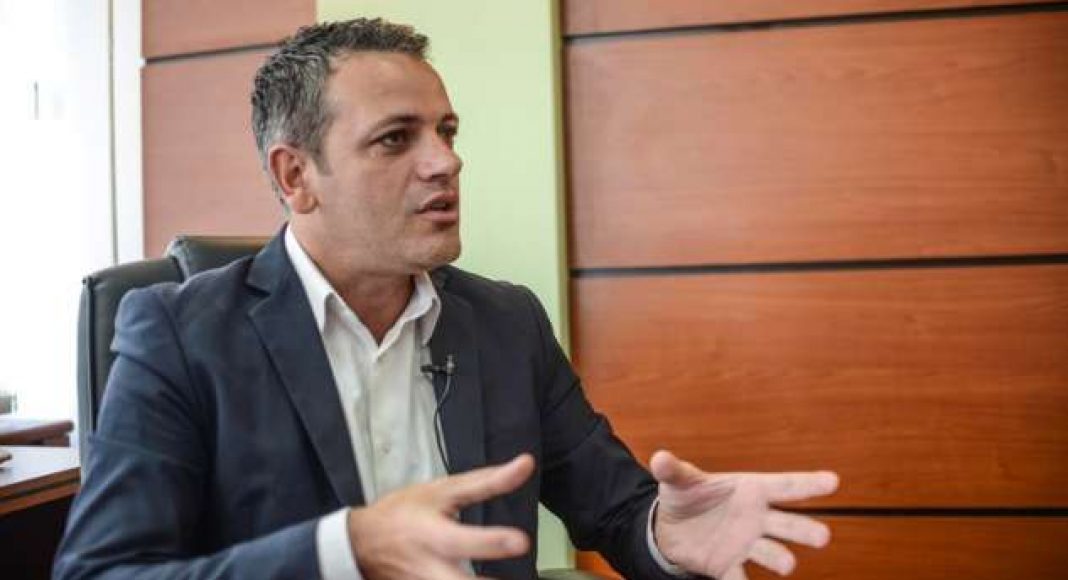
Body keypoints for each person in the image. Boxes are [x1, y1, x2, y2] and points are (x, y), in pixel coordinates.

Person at [54, 18, 839, 580]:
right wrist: (346, 549)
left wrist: (667, 535)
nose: (445, 162)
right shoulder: (179, 334)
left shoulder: (505, 322)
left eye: (447, 131)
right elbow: (102, 570)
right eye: (396, 139)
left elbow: (617, 511)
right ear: (297, 177)